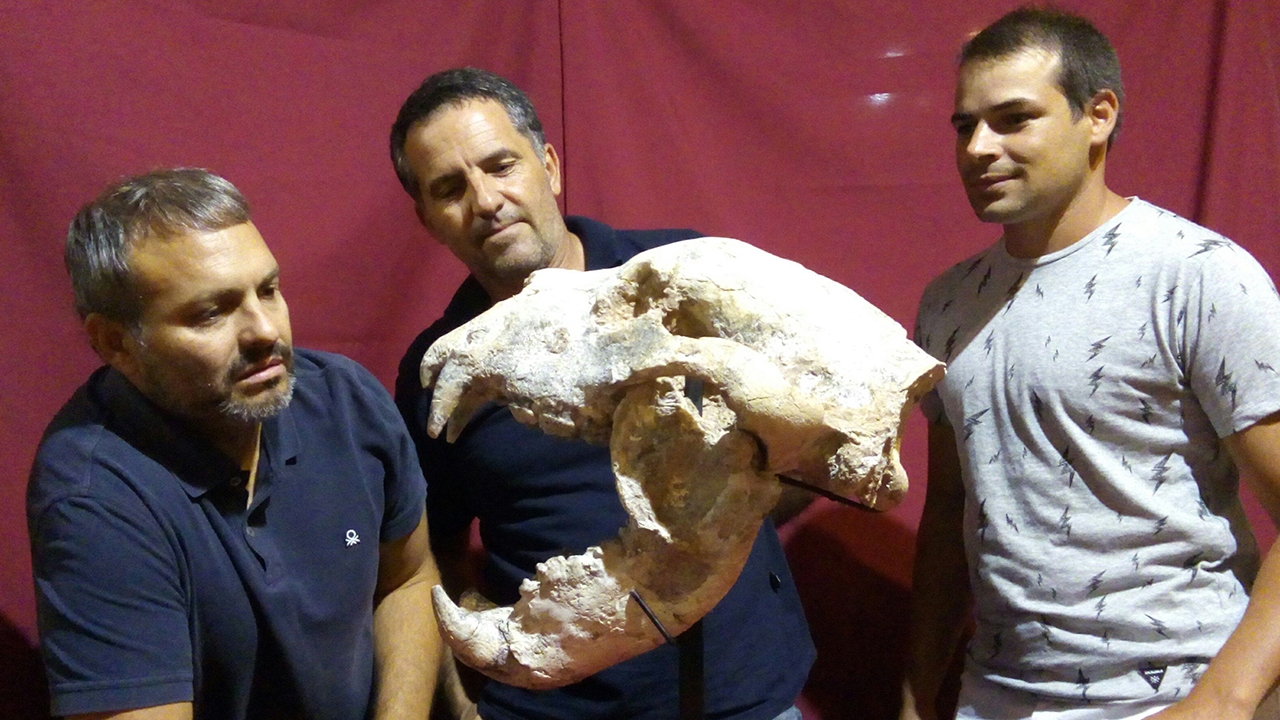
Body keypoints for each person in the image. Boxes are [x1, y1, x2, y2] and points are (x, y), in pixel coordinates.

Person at [390, 67, 815, 720]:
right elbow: (428, 554)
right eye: (450, 188)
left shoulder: (687, 272)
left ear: (549, 166)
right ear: (428, 220)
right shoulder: (437, 370)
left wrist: (719, 523)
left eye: (501, 165)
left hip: (741, 696)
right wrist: (460, 699)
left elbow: (819, 435)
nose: (486, 200)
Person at [902, 7, 1280, 720]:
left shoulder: (1196, 276)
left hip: (1175, 694)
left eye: (1014, 119)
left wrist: (1224, 702)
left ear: (1098, 115)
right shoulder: (947, 303)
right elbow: (952, 509)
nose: (978, 148)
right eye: (964, 125)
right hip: (996, 697)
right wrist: (917, 699)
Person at [28, 168, 443, 720]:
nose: (265, 330)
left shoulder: (347, 402)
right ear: (116, 343)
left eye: (268, 290)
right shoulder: (93, 498)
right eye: (211, 312)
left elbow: (408, 579)